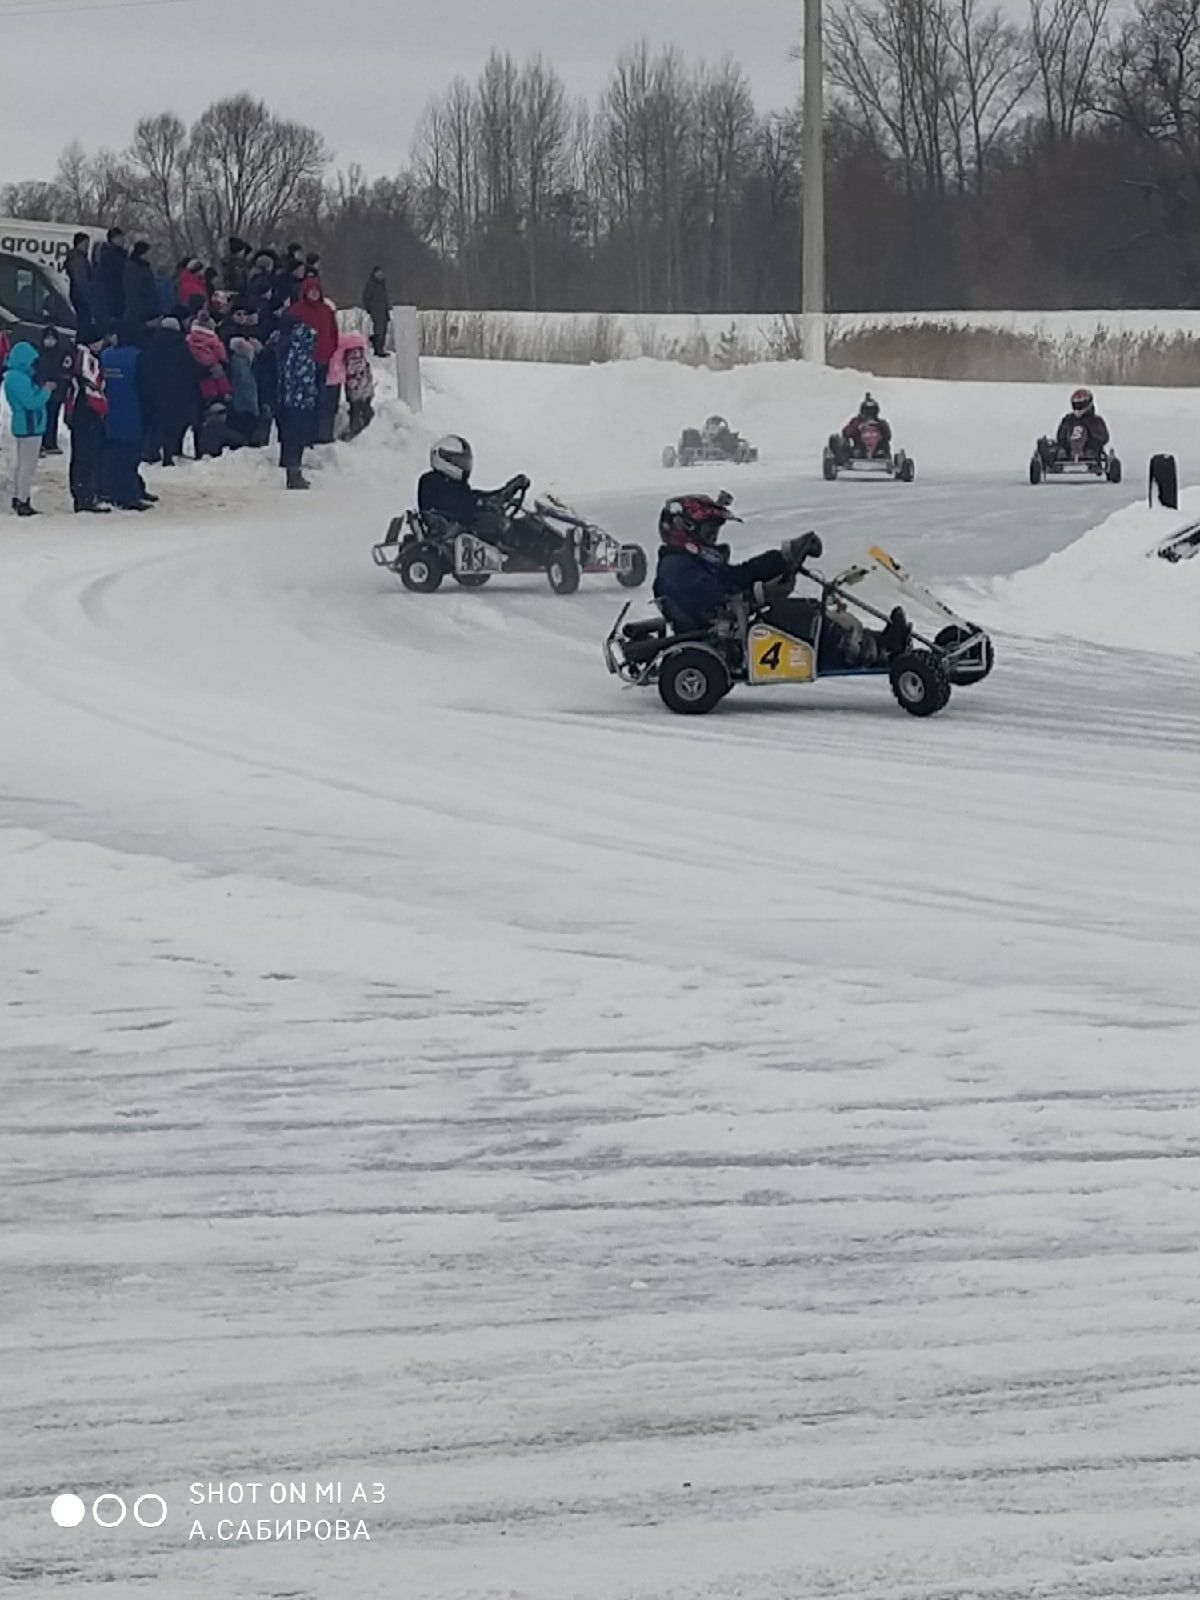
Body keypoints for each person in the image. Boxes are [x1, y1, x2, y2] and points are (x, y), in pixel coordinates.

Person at [652, 494, 910, 666]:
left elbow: (738, 575)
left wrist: (784, 557)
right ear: (683, 531)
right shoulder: (676, 569)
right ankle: (876, 652)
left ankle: (879, 642)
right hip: (720, 638)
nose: (713, 539)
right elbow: (716, 603)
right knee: (797, 615)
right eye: (709, 533)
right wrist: (763, 593)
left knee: (808, 608)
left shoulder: (691, 562)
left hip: (734, 626)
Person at [417, 435, 527, 532]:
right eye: (458, 461)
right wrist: (489, 503)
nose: (463, 465)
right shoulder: (432, 482)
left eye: (465, 461)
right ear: (444, 458)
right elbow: (465, 504)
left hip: (465, 543)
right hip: (451, 543)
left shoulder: (456, 487)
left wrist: (506, 492)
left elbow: (474, 498)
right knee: (501, 525)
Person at [101, 327, 152, 510]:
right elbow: (146, 387)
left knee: (112, 454)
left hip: (108, 411)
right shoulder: (138, 357)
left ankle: (107, 489)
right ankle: (127, 495)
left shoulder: (105, 355)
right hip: (133, 411)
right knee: (130, 456)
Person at [3, 341, 53, 516]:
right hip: (30, 424)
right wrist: (46, 391)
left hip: (24, 423)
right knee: (28, 465)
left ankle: (19, 497)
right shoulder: (19, 378)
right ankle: (23, 500)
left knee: (22, 464)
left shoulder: (13, 376)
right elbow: (32, 402)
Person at [141, 316, 197, 466]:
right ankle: (169, 453)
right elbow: (190, 371)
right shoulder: (182, 347)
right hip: (177, 391)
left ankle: (151, 451)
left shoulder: (151, 346)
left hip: (155, 390)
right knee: (173, 424)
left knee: (157, 423)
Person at [288, 279, 339, 440]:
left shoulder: (326, 311)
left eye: (317, 291)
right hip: (303, 362)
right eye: (311, 291)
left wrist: (331, 350)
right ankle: (306, 433)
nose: (314, 294)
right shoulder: (296, 311)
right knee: (306, 398)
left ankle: (320, 432)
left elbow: (333, 333)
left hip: (323, 359)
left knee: (322, 398)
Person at [66, 332, 111, 513]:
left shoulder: (74, 354)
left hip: (77, 411)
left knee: (79, 455)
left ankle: (81, 494)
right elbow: (92, 387)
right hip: (87, 411)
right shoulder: (88, 359)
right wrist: (102, 408)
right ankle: (86, 496)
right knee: (88, 455)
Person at [276, 314, 319, 489]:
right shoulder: (302, 348)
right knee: (297, 438)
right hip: (301, 400)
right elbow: (304, 376)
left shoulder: (286, 346)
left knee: (290, 437)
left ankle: (292, 472)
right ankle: (294, 474)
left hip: (288, 399)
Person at [37, 325, 73, 456]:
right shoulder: (38, 354)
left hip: (56, 392)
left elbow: (66, 370)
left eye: (53, 338)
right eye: (48, 338)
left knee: (53, 418)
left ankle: (50, 442)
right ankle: (40, 443)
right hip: (40, 392)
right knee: (41, 418)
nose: (50, 341)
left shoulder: (61, 353)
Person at [337, 330, 375, 438]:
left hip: (356, 389)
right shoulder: (362, 356)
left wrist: (350, 383)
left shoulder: (351, 355)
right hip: (365, 388)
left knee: (355, 409)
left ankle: (355, 428)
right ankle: (366, 421)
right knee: (363, 405)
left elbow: (352, 372)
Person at [1054, 388, 1109, 457]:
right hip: (1068, 453)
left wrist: (1090, 439)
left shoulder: (1095, 420)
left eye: (1081, 404)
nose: (1078, 407)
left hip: (1090, 453)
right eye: (1077, 404)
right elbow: (1060, 437)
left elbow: (1103, 438)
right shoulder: (1068, 419)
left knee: (1092, 451)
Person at [838, 393, 892, 460]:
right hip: (859, 448)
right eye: (868, 410)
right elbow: (845, 432)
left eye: (872, 410)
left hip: (879, 450)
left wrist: (879, 427)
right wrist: (857, 428)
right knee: (856, 452)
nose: (870, 412)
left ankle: (879, 455)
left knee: (883, 449)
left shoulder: (881, 423)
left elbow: (888, 436)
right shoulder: (856, 421)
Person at [94, 227, 128, 324]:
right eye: (120, 238)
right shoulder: (111, 256)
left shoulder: (118, 255)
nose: (123, 240)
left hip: (116, 298)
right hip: (113, 299)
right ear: (113, 239)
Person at [64, 232, 96, 340]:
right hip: (81, 298)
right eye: (86, 244)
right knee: (83, 326)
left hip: (78, 296)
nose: (87, 247)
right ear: (79, 244)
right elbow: (81, 282)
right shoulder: (78, 260)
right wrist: (89, 299)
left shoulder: (78, 258)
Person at [362, 266, 390, 357]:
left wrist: (387, 310)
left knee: (383, 330)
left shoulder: (382, 284)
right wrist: (369, 309)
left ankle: (379, 346)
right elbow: (366, 297)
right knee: (379, 330)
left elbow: (385, 298)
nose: (380, 275)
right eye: (378, 273)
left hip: (383, 309)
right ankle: (378, 349)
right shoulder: (371, 284)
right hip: (375, 310)